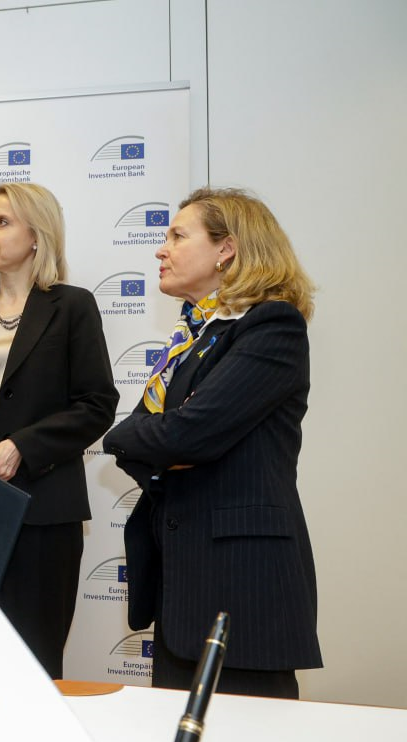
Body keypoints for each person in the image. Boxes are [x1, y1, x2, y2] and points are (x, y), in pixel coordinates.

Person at [103, 187, 321, 699]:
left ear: (227, 249)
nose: (161, 249)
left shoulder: (272, 325)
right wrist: (154, 444)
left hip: (243, 591)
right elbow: (137, 436)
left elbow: (187, 434)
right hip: (181, 587)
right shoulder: (195, 335)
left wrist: (160, 442)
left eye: (178, 236)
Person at [0, 182, 117, 679]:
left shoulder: (72, 306)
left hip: (44, 504)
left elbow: (97, 404)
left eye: (2, 223)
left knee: (35, 659)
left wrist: (23, 446)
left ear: (37, 235)